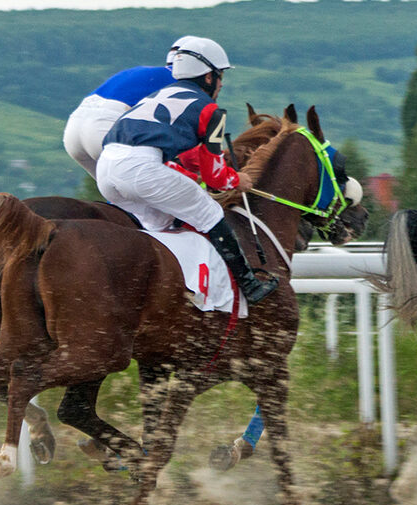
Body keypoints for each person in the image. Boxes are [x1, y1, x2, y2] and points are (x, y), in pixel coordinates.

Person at [95, 37, 279, 304]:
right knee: (210, 212)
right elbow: (216, 178)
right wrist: (237, 179)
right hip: (142, 168)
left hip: (106, 168)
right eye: (220, 76)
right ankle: (249, 285)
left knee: (160, 226)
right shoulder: (210, 110)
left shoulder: (155, 96)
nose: (222, 83)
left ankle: (160, 288)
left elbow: (189, 156)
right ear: (207, 77)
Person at [62, 36, 195, 177]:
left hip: (74, 131)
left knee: (119, 194)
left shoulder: (141, 71)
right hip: (106, 126)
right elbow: (188, 151)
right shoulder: (184, 83)